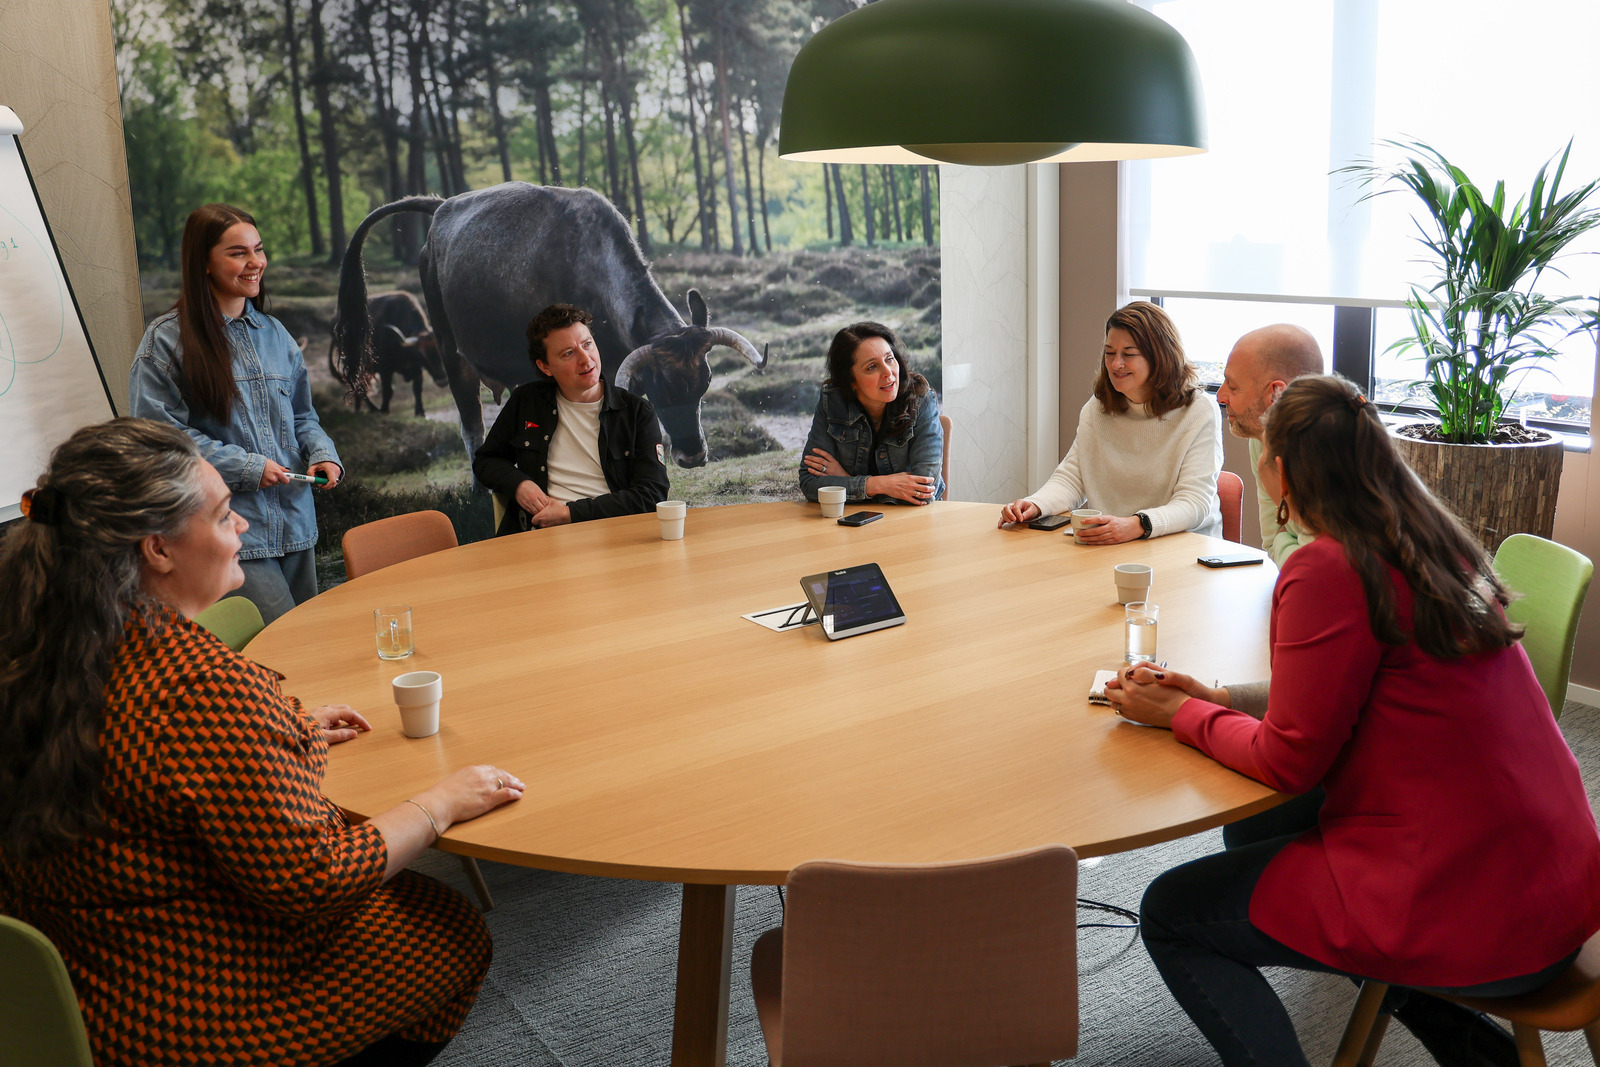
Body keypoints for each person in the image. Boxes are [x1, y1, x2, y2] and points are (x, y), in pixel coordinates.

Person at [0, 417, 526, 1067]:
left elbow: (157, 767)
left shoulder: (36, 647)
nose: (243, 527)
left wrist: (288, 731)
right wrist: (438, 802)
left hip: (79, 977)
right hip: (189, 1011)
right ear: (157, 548)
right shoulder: (203, 691)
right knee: (451, 931)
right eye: (224, 515)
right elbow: (316, 878)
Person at [1106, 376, 1600, 1067]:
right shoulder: (1434, 542)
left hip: (1479, 913)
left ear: (1280, 473)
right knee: (1256, 825)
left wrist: (1182, 714)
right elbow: (1350, 692)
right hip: (1557, 881)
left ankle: (1426, 1002)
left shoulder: (1329, 568)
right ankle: (1463, 1041)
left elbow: (1288, 762)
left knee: (1172, 910)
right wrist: (1217, 697)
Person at [130, 203, 342, 625]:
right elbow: (160, 442)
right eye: (237, 253)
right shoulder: (165, 342)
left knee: (309, 646)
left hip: (298, 526)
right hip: (234, 535)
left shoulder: (275, 334)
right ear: (203, 262)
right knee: (284, 650)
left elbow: (303, 415)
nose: (255, 263)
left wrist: (322, 451)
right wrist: (246, 467)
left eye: (258, 250)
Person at [999, 301, 1221, 542]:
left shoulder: (1198, 410)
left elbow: (1194, 503)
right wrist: (1035, 504)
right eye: (1109, 352)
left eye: (1129, 354)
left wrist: (1137, 525)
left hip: (1183, 546)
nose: (1116, 364)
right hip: (1110, 542)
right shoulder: (1097, 409)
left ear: (1160, 356)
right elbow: (1072, 478)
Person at [474, 303, 670, 535]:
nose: (586, 359)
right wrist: (518, 484)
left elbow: (651, 495)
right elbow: (486, 461)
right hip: (541, 537)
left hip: (616, 534)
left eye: (587, 345)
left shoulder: (637, 412)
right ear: (545, 367)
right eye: (569, 353)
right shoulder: (526, 402)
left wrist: (570, 514)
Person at [798, 321, 944, 505]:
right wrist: (878, 485)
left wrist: (846, 480)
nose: (888, 373)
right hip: (852, 526)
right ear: (851, 380)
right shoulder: (833, 401)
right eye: (872, 367)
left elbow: (923, 492)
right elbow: (810, 484)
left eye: (889, 359)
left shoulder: (921, 399)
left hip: (913, 523)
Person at [1215, 323, 1324, 565]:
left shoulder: (1327, 457)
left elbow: (1317, 566)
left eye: (1233, 386)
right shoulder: (1262, 436)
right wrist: (1290, 544)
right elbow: (1272, 543)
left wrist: (1288, 543)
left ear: (1276, 393)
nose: (1220, 396)